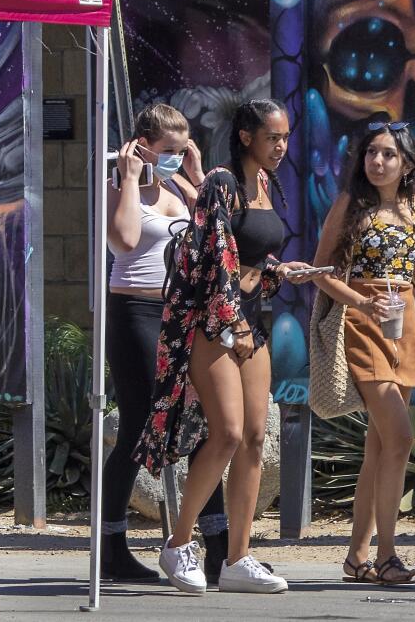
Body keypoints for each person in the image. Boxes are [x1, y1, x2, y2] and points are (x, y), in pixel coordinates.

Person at [133, 99, 316, 595]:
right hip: (213, 326)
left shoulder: (263, 185)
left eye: (284, 137)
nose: (281, 146)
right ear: (245, 137)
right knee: (228, 433)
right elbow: (214, 257)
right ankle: (178, 544)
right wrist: (232, 323)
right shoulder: (222, 182)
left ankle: (238, 558)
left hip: (250, 323)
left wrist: (277, 270)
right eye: (271, 137)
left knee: (257, 436)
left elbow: (249, 256)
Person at [311, 120, 415, 586]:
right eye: (371, 153)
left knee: (380, 447)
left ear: (405, 165)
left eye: (388, 154)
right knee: (399, 440)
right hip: (362, 323)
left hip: (404, 327)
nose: (377, 161)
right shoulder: (350, 205)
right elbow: (322, 271)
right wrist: (361, 301)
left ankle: (356, 557)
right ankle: (386, 555)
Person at [102, 102, 202, 580]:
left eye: (181, 151)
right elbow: (122, 241)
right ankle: (111, 544)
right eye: (168, 151)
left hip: (175, 311)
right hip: (134, 311)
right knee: (140, 426)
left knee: (193, 422)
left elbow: (214, 235)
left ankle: (218, 539)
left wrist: (195, 175)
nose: (174, 158)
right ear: (141, 146)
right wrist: (127, 178)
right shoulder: (119, 188)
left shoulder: (178, 187)